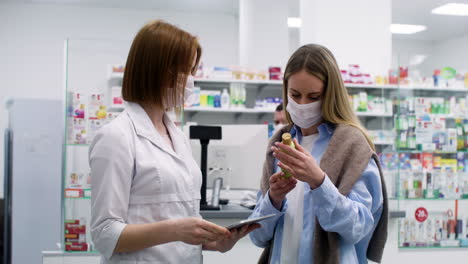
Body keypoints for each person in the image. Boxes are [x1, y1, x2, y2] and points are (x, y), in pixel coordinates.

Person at [90, 20, 258, 264]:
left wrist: (214, 242)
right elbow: (105, 234)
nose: (192, 81)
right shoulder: (116, 137)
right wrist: (176, 230)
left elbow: (179, 220)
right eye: (188, 71)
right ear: (160, 71)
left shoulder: (175, 135)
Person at [249, 44, 388, 264]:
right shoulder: (278, 143)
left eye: (314, 96)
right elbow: (258, 236)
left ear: (331, 94)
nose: (302, 105)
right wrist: (273, 199)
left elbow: (358, 229)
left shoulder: (352, 145)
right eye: (295, 95)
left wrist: (319, 182)